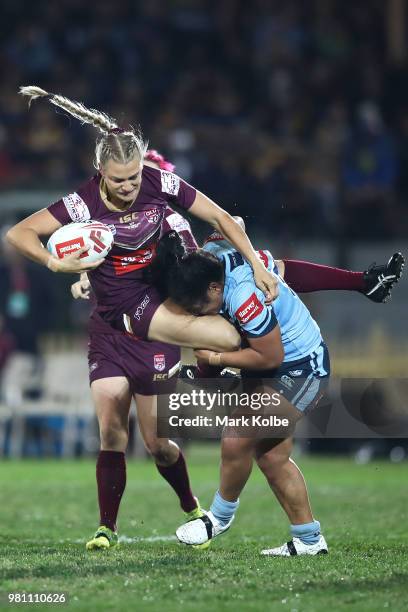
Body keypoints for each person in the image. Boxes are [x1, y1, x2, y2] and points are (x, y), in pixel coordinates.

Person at [6, 86, 278, 551]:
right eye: (120, 180)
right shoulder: (82, 203)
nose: (130, 186)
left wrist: (254, 262)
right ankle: (105, 528)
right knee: (111, 429)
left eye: (134, 177)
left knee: (158, 445)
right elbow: (20, 232)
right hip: (111, 325)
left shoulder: (159, 183)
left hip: (155, 321)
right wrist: (59, 265)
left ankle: (191, 505)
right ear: (100, 173)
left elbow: (219, 216)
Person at [149, 230, 403, 556]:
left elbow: (271, 356)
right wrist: (359, 281)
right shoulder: (218, 256)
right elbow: (283, 269)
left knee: (238, 433)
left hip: (301, 369)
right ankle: (309, 540)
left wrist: (215, 361)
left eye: (201, 304)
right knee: (272, 458)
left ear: (215, 287)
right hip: (271, 367)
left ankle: (218, 519)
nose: (199, 311)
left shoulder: (242, 297)